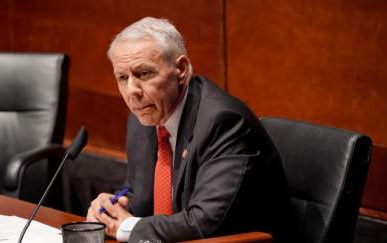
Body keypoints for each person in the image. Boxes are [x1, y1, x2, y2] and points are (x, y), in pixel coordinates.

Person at [87, 17, 295, 243]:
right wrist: (111, 207)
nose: (132, 91)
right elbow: (140, 194)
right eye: (123, 77)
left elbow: (203, 221)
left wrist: (125, 226)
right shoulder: (142, 117)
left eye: (144, 74)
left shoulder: (223, 122)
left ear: (181, 69)